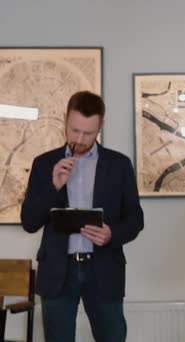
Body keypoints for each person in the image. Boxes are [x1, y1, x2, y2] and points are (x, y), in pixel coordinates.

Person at [21, 91, 144, 342]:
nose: (80, 139)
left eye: (88, 133)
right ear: (65, 120)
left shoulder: (119, 165)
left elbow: (135, 219)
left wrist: (112, 234)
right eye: (74, 130)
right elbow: (29, 222)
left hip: (104, 270)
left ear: (101, 125)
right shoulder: (44, 164)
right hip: (57, 272)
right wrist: (52, 187)